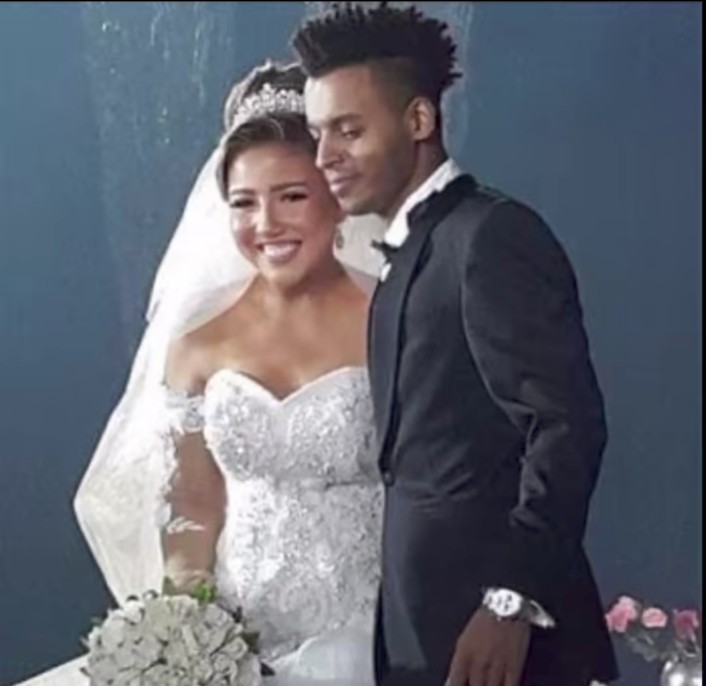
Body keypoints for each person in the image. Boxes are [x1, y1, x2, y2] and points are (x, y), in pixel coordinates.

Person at [14, 61, 385, 686]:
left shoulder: (395, 316)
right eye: (244, 203)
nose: (266, 224)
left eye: (291, 196)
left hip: (367, 634)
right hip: (233, 636)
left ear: (336, 196)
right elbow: (193, 498)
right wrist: (190, 619)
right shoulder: (198, 338)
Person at [292, 4, 619, 686]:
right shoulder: (416, 248)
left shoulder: (489, 237)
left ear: (419, 120)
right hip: (424, 633)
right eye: (319, 135)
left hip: (502, 643)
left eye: (348, 130)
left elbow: (566, 425)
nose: (325, 158)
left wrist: (511, 600)